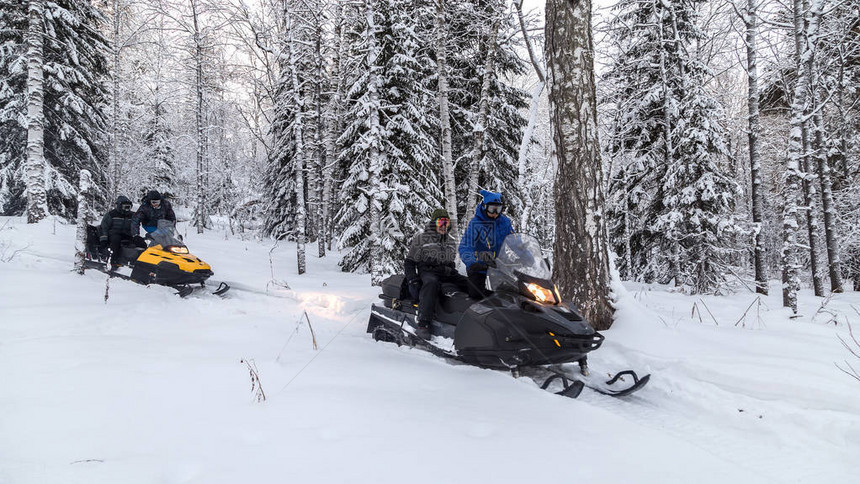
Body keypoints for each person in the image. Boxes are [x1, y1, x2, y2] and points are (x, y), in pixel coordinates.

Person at [404, 208, 470, 340]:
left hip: (446, 272)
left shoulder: (450, 241)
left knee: (469, 283)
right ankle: (423, 323)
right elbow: (410, 262)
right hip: (427, 271)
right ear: (434, 223)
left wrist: (451, 270)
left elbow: (451, 262)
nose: (444, 226)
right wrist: (412, 279)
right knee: (431, 283)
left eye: (446, 222)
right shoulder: (422, 238)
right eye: (441, 222)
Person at [458, 190, 514, 299]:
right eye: (492, 209)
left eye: (498, 209)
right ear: (484, 207)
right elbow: (465, 246)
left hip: (498, 267)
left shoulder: (505, 222)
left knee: (510, 295)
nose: (495, 213)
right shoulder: (476, 224)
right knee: (477, 296)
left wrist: (531, 259)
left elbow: (515, 242)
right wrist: (473, 263)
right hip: (479, 267)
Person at [99, 195, 146, 269]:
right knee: (116, 241)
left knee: (141, 243)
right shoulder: (111, 215)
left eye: (129, 207)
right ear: (120, 206)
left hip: (128, 234)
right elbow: (104, 227)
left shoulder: (133, 215)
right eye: (125, 207)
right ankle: (114, 262)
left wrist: (136, 236)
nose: (127, 209)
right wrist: (103, 239)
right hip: (114, 234)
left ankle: (142, 264)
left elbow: (136, 224)